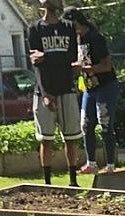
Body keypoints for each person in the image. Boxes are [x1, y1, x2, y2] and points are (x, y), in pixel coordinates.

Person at [27, 0, 83, 186]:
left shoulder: (68, 27)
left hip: (66, 89)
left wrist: (47, 57)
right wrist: (45, 94)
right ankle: (47, 182)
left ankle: (73, 181)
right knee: (46, 140)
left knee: (71, 138)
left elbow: (71, 57)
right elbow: (36, 65)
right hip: (45, 92)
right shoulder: (35, 29)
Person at [64, 8, 119, 175]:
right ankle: (91, 163)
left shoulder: (95, 38)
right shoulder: (77, 40)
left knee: (106, 125)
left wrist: (86, 68)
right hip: (89, 88)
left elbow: (107, 65)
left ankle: (110, 165)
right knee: (86, 125)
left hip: (106, 86)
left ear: (75, 22)